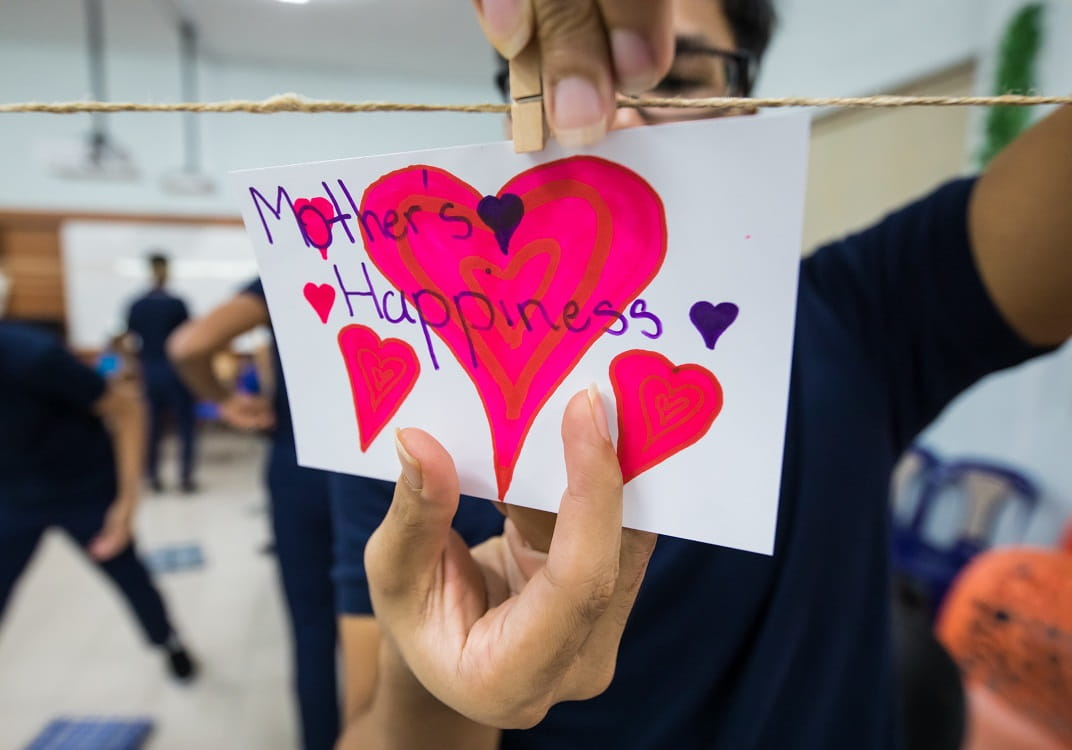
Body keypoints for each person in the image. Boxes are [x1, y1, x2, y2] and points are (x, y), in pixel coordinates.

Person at [329, 2, 1072, 749]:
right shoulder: (416, 409)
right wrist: (438, 675)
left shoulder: (861, 314)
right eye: (550, 86)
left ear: (745, 105)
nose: (609, 124)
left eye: (677, 81)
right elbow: (363, 728)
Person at [0, 262, 196, 750]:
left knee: (130, 579)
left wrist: (126, 506)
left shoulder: (28, 357)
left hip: (85, 491)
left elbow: (126, 409)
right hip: (11, 499)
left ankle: (166, 640)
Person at [169, 281, 339, 750]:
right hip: (403, 470)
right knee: (422, 626)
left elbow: (189, 346)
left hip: (301, 465)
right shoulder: (426, 247)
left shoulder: (295, 259)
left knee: (312, 629)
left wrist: (224, 401)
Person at [126, 253, 198, 493]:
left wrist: (133, 367)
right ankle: (185, 476)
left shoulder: (138, 304)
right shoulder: (176, 304)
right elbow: (188, 340)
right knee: (185, 424)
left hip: (151, 369)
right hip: (175, 371)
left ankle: (152, 475)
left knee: (153, 425)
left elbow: (129, 339)